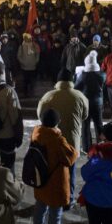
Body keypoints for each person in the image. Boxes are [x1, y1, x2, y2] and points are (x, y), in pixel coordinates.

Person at [37, 68, 89, 204]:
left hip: (51, 140)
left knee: (50, 170)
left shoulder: (49, 96)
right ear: (72, 81)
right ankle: (68, 199)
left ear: (58, 80)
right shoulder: (80, 96)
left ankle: (48, 198)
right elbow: (85, 115)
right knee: (70, 171)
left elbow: (40, 115)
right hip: (72, 141)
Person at [30, 109, 78, 224]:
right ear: (57, 123)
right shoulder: (57, 139)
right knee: (55, 213)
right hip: (56, 182)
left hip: (40, 179)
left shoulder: (36, 133)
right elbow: (71, 157)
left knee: (40, 207)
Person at [75, 51, 105, 153]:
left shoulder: (83, 75)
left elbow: (76, 87)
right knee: (99, 124)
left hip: (86, 103)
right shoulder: (101, 75)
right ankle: (101, 144)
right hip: (98, 103)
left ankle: (87, 147)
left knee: (85, 125)